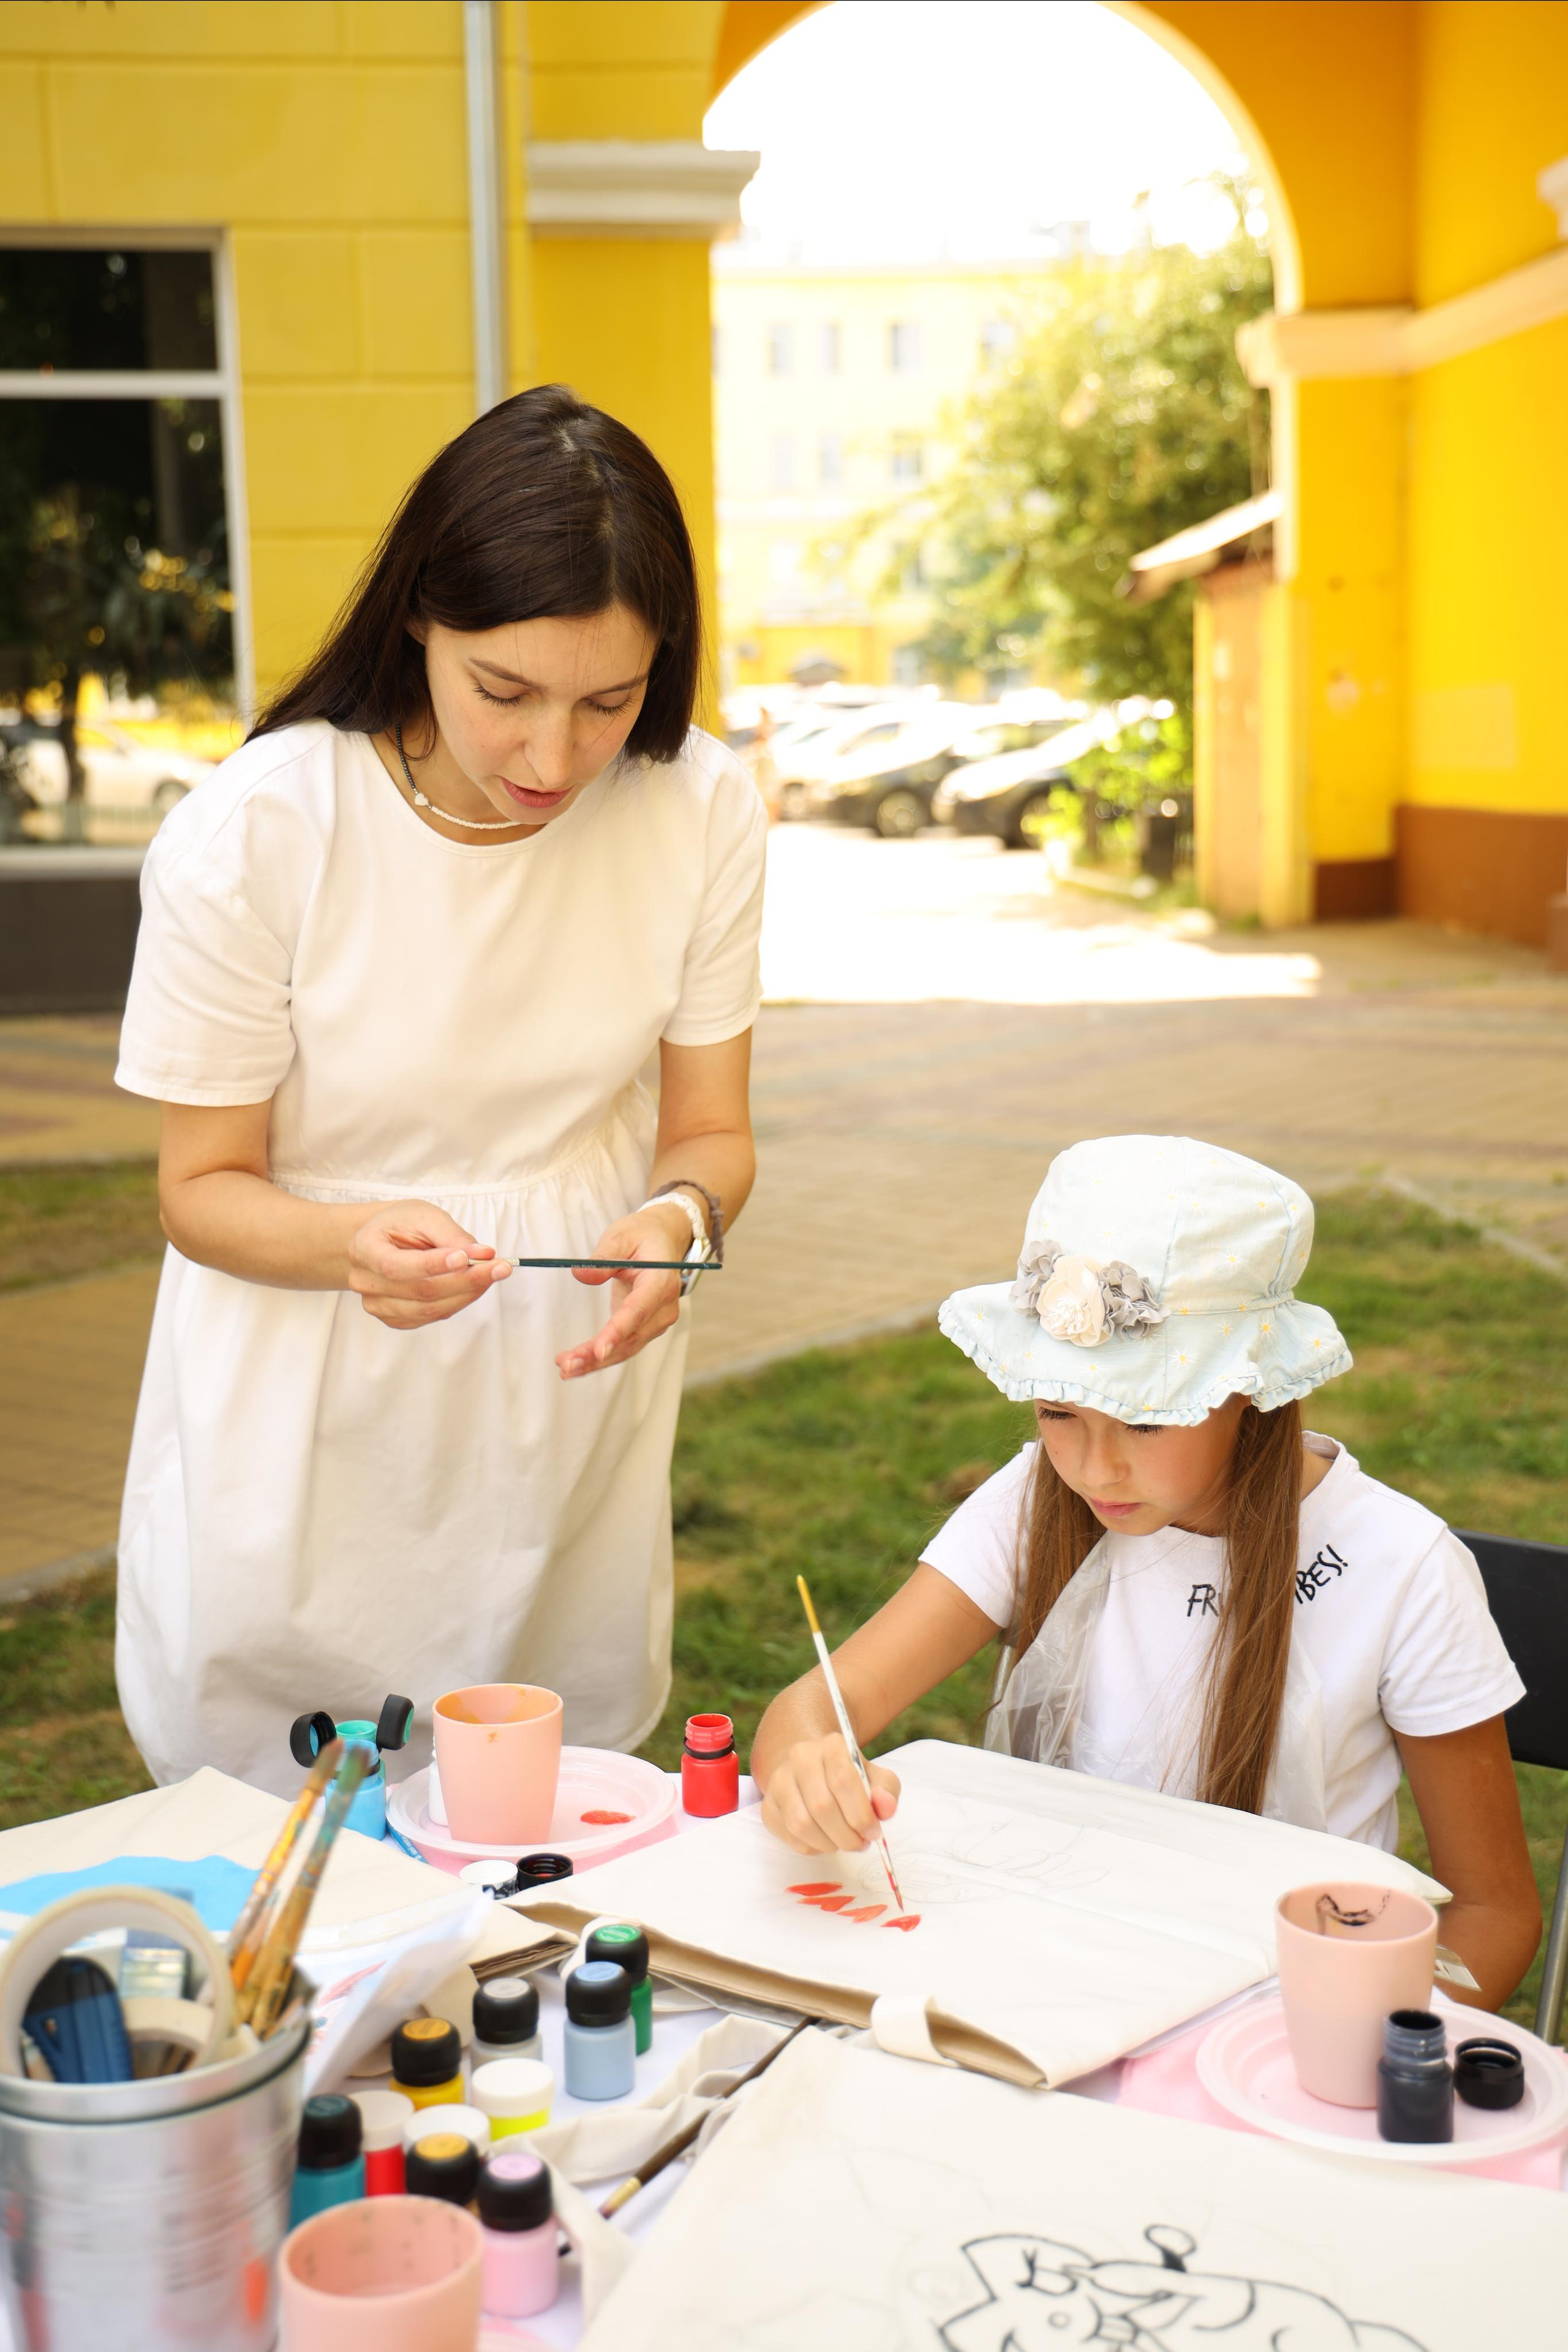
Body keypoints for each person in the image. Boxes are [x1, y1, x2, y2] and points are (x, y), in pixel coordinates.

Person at [115, 385, 766, 1796]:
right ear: (419, 617)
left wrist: (673, 1223)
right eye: (505, 694)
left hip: (558, 1384)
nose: (553, 759)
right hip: (307, 1393)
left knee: (543, 1821)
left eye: (610, 699)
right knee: (279, 1831)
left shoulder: (698, 807)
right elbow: (198, 1187)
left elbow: (710, 1136)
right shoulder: (263, 829)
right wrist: (346, 1246)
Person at [752, 1134, 1540, 2010]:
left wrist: (1366, 2039)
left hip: (1265, 2009)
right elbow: (814, 1706)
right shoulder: (1033, 1499)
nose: (1094, 1470)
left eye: (1147, 1421)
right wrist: (805, 1771)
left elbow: (1493, 1912)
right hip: (1038, 1975)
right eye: (1058, 1411)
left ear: (1252, 1392)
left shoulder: (1405, 1567)